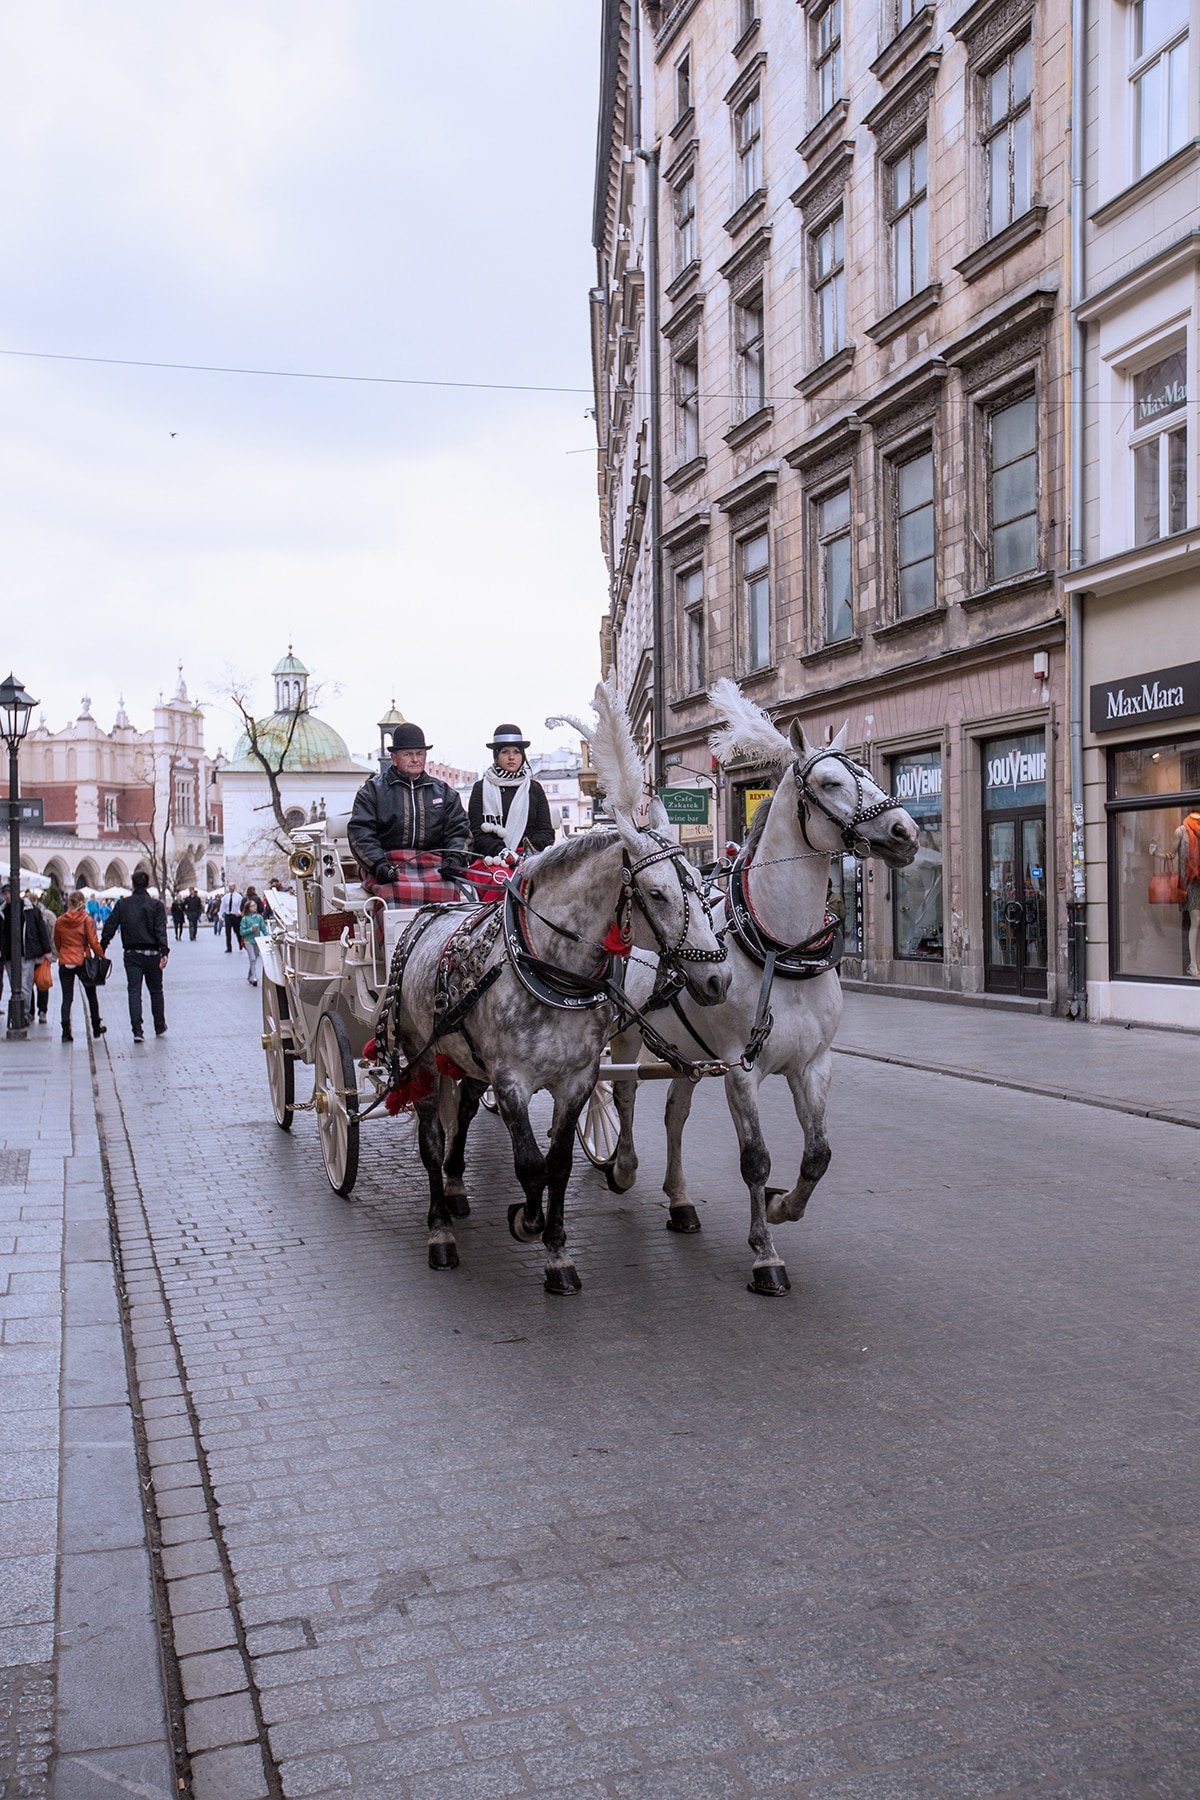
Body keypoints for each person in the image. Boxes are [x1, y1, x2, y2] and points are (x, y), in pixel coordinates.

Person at [348, 722, 470, 883]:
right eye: (408, 754)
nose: (415, 759)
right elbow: (360, 831)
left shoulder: (445, 792)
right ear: (394, 758)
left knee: (451, 900)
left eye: (419, 753)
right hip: (388, 865)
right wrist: (378, 864)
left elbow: (458, 830)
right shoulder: (372, 791)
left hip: (435, 864)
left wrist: (454, 859)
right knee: (392, 899)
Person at [100, 870, 169, 1043]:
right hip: (153, 953)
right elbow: (160, 930)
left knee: (134, 991)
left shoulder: (123, 904)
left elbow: (110, 925)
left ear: (133, 884)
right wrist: (164, 951)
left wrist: (103, 946)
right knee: (156, 990)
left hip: (132, 953)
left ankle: (137, 1030)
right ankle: (159, 1025)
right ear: (147, 884)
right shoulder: (156, 905)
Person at [468, 724, 555, 859]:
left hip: (530, 856)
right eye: (505, 752)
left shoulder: (534, 788)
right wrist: (503, 853)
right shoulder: (480, 788)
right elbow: (478, 833)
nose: (511, 757)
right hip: (492, 858)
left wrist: (528, 852)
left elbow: (545, 831)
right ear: (496, 756)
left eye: (516, 752)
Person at [54, 891, 106, 1042]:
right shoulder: (86, 920)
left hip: (65, 962)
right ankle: (96, 1027)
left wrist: (63, 953)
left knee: (67, 998)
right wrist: (101, 955)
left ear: (69, 903)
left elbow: (57, 941)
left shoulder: (60, 921)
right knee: (91, 995)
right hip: (83, 960)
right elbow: (93, 942)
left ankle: (65, 1032)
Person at [0, 887, 53, 1025]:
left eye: (8, 893)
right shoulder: (3, 911)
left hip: (26, 953)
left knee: (25, 985)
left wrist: (47, 950)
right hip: (10, 956)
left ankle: (24, 1014)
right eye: (4, 894)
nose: (6, 896)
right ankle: (21, 1013)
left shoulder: (30, 910)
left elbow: (41, 930)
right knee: (14, 986)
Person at [1176, 810, 1200, 977]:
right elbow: (1171, 855)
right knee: (1196, 920)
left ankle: (1195, 962)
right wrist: (1154, 853)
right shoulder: (1181, 831)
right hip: (1190, 882)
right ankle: (1192, 964)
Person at [33, 892, 59, 1024]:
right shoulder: (24, 914)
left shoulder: (48, 916)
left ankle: (42, 1011)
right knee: (29, 984)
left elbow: (54, 936)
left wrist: (52, 954)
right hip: (30, 956)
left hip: (43, 955)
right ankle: (31, 1012)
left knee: (42, 983)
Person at [239, 897, 268, 986]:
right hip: (248, 941)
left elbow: (263, 928)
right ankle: (254, 977)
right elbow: (242, 932)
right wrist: (251, 929)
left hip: (257, 941)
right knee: (253, 958)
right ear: (248, 908)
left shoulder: (259, 918)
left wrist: (268, 937)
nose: (254, 907)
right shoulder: (245, 919)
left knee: (254, 959)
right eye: (252, 906)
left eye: (255, 906)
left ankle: (250, 975)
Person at [218, 883, 243, 954]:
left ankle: (240, 945)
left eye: (232, 886)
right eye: (229, 887)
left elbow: (240, 906)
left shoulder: (238, 897)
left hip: (235, 916)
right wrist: (220, 916)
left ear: (234, 887)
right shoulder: (225, 897)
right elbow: (222, 907)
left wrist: (240, 913)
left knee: (237, 931)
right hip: (228, 915)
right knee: (228, 932)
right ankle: (229, 947)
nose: (230, 888)